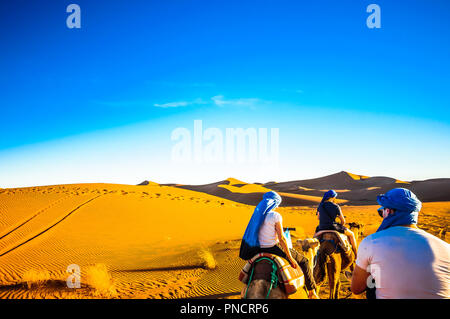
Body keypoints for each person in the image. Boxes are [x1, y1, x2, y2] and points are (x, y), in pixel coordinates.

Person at [351, 188, 450, 299]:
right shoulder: (446, 248)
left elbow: (356, 288)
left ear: (388, 211)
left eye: (381, 211)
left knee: (371, 283)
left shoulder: (371, 242)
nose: (382, 215)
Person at [239, 191, 319, 299]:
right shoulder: (275, 215)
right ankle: (312, 292)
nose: (277, 207)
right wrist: (290, 258)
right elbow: (282, 238)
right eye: (277, 204)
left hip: (257, 250)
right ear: (274, 203)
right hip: (273, 248)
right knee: (304, 261)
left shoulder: (257, 215)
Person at [315, 190, 358, 257]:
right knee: (351, 234)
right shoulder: (336, 206)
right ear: (333, 197)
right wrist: (341, 226)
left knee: (314, 238)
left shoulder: (320, 206)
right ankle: (356, 253)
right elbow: (343, 221)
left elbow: (318, 218)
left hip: (321, 227)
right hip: (333, 227)